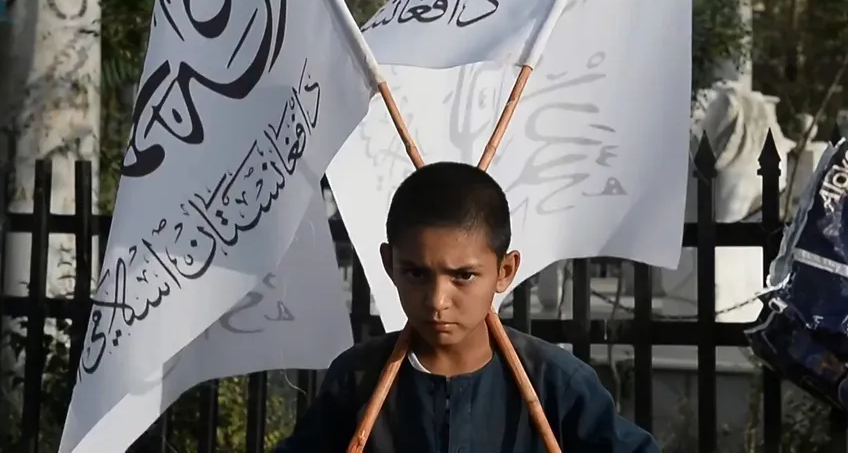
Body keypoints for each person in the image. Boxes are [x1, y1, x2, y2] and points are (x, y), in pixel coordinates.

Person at [275, 161, 660, 452]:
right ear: (389, 264)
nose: (437, 301)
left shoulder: (555, 385)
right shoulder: (358, 379)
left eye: (463, 276)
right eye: (416, 273)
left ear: (504, 270)